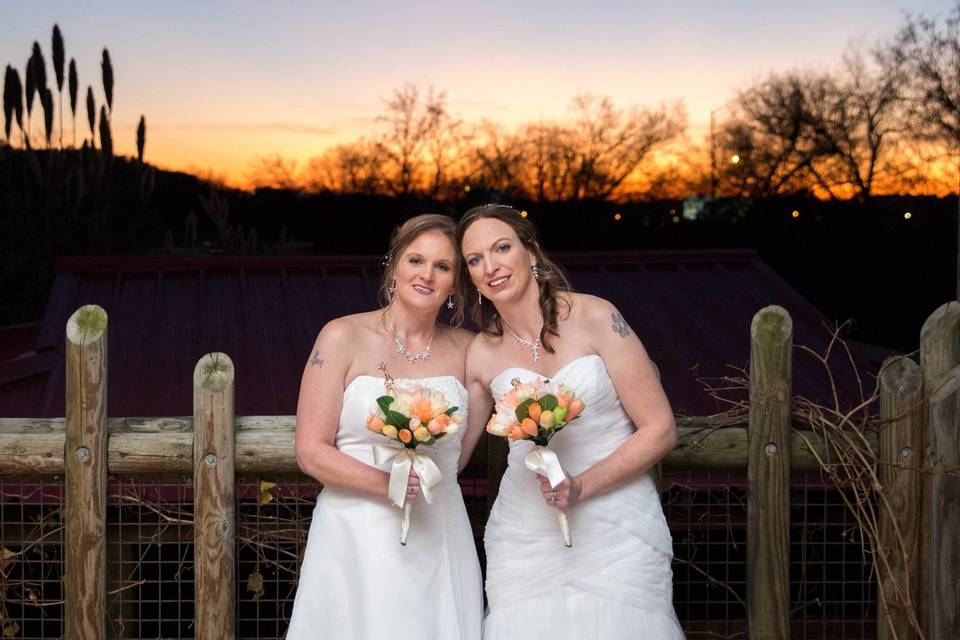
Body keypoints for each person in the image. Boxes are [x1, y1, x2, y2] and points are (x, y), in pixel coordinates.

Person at [457, 204, 685, 638]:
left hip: (616, 521)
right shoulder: (481, 354)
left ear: (532, 251)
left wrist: (583, 485)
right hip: (526, 530)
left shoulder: (597, 316)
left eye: (502, 248)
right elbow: (456, 455)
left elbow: (660, 429)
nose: (491, 266)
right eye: (475, 259)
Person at [286, 214, 483, 640]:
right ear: (394, 264)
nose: (426, 274)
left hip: (439, 531)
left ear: (456, 283)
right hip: (354, 533)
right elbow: (311, 450)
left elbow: (459, 455)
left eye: (443, 267)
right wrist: (385, 483)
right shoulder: (341, 337)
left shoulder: (471, 351)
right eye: (416, 260)